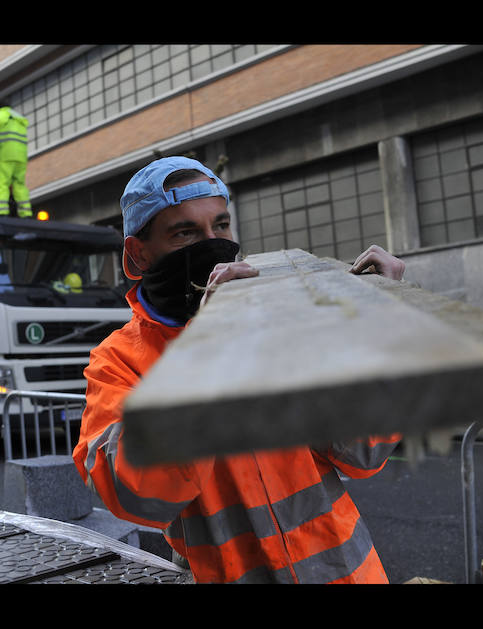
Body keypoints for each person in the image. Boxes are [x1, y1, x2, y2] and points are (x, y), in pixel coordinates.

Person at [72, 155, 405, 584]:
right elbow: (134, 495)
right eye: (185, 232)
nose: (212, 243)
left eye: (221, 226)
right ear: (137, 253)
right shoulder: (117, 360)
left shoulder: (277, 321)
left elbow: (363, 449)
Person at [0, 99, 32, 218]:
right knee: (20, 185)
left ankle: (1, 212)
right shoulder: (20, 120)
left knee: (2, 184)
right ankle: (26, 213)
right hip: (21, 157)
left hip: (5, 156)